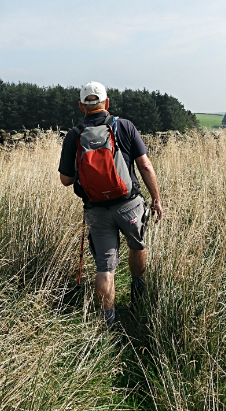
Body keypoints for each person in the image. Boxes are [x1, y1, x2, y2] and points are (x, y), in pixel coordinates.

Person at [59, 81, 163, 328]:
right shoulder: (124, 126)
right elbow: (145, 165)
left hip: (96, 210)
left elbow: (65, 180)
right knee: (137, 245)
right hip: (129, 205)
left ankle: (108, 324)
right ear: (107, 102)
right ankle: (138, 291)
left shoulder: (74, 135)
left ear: (81, 106)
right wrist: (156, 200)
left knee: (105, 268)